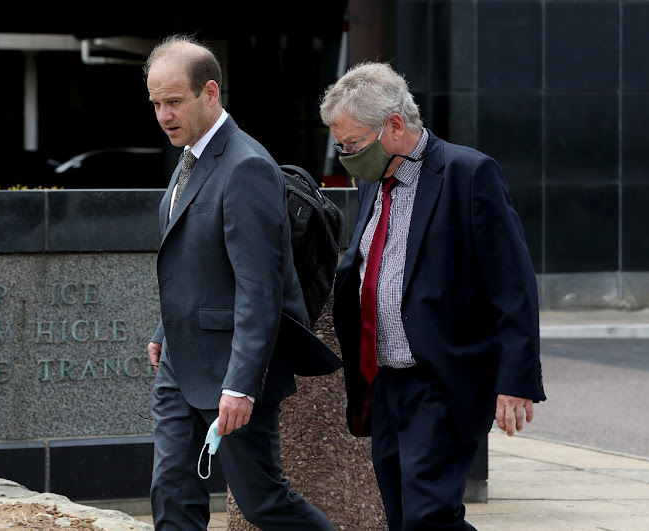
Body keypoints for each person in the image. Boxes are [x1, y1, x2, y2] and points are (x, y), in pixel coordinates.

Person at [321, 61, 546, 530]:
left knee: (428, 516)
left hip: (443, 379)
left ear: (396, 126)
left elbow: (514, 284)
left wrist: (517, 379)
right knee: (404, 514)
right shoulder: (372, 181)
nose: (345, 156)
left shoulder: (469, 173)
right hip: (384, 381)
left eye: (352, 144)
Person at [145, 35, 335, 530]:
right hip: (179, 365)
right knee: (171, 492)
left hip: (232, 373)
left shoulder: (246, 165)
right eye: (155, 103)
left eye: (173, 101)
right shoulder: (189, 158)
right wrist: (165, 331)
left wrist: (241, 387)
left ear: (210, 93)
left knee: (263, 502)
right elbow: (192, 261)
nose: (163, 114)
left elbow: (260, 290)